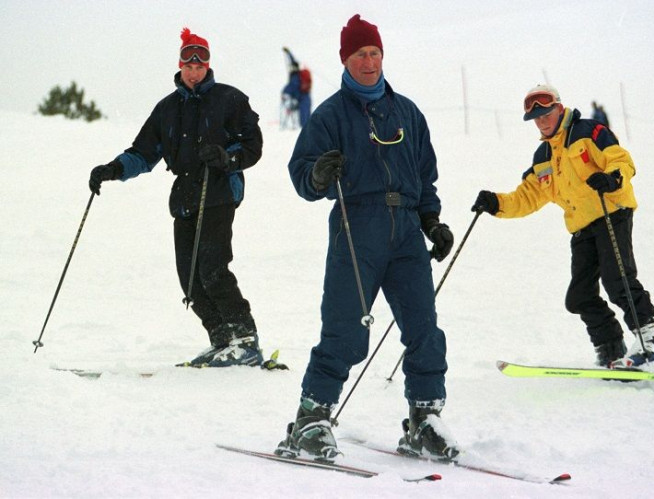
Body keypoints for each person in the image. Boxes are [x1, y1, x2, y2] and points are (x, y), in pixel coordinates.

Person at [276, 14, 459, 462]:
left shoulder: (408, 113)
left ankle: (424, 419)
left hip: (407, 234)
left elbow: (425, 177)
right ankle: (311, 418)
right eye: (360, 54)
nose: (369, 61)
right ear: (346, 59)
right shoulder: (330, 115)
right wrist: (318, 174)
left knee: (424, 329)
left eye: (375, 52)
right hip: (357, 230)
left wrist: (432, 221)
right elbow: (302, 175)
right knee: (345, 331)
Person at [471, 84, 654, 372]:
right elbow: (527, 197)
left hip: (611, 213)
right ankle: (612, 350)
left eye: (547, 113)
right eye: (537, 118)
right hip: (582, 228)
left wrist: (612, 179)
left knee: (618, 281)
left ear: (559, 108)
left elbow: (621, 160)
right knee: (579, 297)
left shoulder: (589, 132)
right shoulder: (543, 157)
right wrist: (496, 203)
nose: (543, 120)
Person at [88, 28, 266, 368]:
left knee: (213, 269)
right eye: (188, 63)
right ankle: (221, 339)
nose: (194, 70)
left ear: (208, 65)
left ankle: (245, 340)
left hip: (218, 192)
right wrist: (112, 169)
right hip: (184, 196)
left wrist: (227, 158)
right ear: (181, 64)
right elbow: (143, 152)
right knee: (189, 278)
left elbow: (252, 145)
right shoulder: (167, 109)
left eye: (200, 64)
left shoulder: (230, 99)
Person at [281, 47, 312, 128]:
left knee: (304, 122)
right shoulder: (299, 74)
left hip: (301, 98)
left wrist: (285, 93)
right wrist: (288, 53)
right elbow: (292, 60)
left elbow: (292, 87)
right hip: (306, 98)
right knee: (307, 118)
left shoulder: (295, 77)